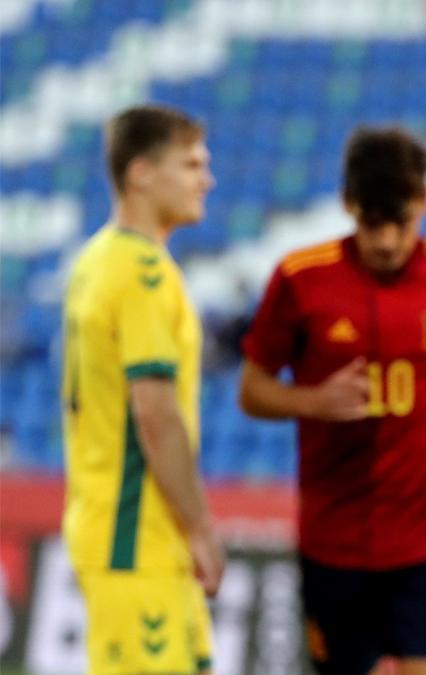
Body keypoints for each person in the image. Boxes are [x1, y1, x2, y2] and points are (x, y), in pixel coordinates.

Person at [238, 126, 426, 675]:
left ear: (423, 203)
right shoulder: (301, 279)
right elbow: (251, 390)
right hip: (335, 538)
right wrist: (312, 402)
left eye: (401, 222)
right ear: (348, 205)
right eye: (372, 223)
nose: (387, 240)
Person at [62, 104, 224, 674]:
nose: (207, 179)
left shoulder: (97, 260)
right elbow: (156, 415)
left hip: (123, 532)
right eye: (191, 164)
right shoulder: (143, 274)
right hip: (137, 539)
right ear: (141, 174)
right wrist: (201, 527)